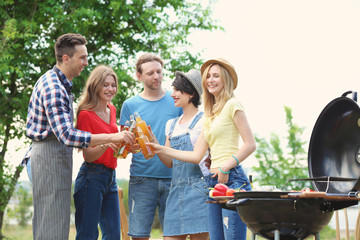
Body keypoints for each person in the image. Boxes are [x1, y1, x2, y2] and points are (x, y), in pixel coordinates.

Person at [26, 33, 135, 240]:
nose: (86, 63)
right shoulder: (54, 88)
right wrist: (111, 138)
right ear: (66, 58)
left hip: (56, 156)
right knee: (52, 228)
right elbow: (67, 135)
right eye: (82, 57)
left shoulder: (62, 85)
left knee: (55, 226)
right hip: (49, 155)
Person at [148, 58, 256, 240]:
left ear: (226, 80)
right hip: (212, 183)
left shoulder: (233, 105)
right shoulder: (210, 114)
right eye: (208, 76)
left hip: (233, 179)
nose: (211, 80)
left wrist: (225, 166)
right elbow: (196, 155)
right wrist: (159, 148)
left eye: (216, 76)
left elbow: (250, 144)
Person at [119, 53, 183, 240]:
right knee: (138, 236)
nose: (156, 76)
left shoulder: (176, 102)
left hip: (173, 178)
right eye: (150, 73)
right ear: (139, 76)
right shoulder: (130, 105)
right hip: (142, 178)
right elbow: (125, 142)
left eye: (159, 72)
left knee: (174, 236)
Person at [156, 69, 210, 240]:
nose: (173, 94)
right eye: (173, 89)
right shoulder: (170, 124)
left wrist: (161, 149)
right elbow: (169, 162)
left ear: (192, 93)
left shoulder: (204, 120)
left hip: (198, 190)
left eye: (178, 90)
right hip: (175, 191)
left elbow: (196, 156)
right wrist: (153, 144)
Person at [73, 65, 123, 239]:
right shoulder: (85, 114)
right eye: (105, 85)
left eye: (113, 85)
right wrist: (108, 142)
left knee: (113, 235)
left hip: (111, 177)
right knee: (87, 235)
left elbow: (114, 144)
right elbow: (88, 155)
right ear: (95, 86)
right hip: (91, 177)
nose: (110, 89)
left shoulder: (112, 110)